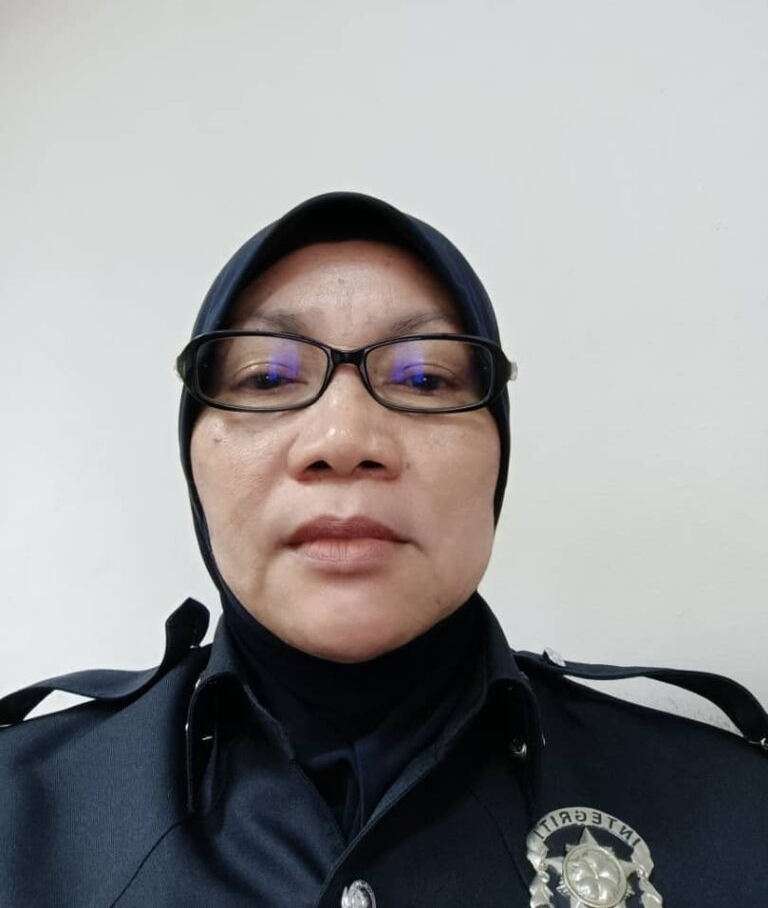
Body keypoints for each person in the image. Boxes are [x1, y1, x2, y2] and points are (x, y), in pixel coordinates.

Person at [1, 191, 766, 908]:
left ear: (500, 454)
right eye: (267, 376)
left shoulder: (737, 810)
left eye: (425, 377)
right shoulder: (19, 803)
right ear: (192, 455)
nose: (343, 439)